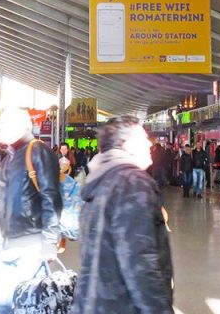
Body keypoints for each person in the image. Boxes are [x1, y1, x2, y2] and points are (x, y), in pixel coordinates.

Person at [72, 116, 174, 313]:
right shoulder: (132, 183)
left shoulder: (100, 179)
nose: (149, 143)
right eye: (143, 138)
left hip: (94, 303)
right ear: (127, 145)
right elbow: (140, 260)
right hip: (123, 305)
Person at [0, 108, 62, 313]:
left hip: (33, 247)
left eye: (2, 124)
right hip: (11, 246)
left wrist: (50, 241)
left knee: (25, 306)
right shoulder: (9, 158)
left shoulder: (38, 152)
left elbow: (51, 198)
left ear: (20, 126)